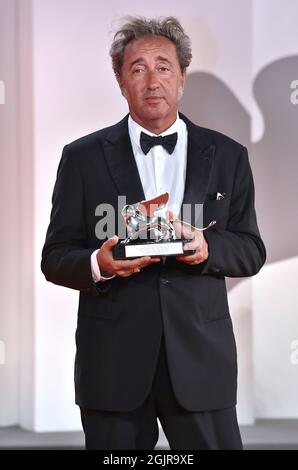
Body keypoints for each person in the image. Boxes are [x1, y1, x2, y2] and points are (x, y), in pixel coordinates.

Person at [41, 16, 266, 450]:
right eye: (137, 68)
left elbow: (251, 250)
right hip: (112, 362)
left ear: (183, 76)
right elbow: (55, 255)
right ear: (120, 80)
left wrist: (205, 248)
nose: (152, 80)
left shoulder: (228, 156)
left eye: (163, 67)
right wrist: (98, 265)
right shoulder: (82, 158)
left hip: (201, 360)